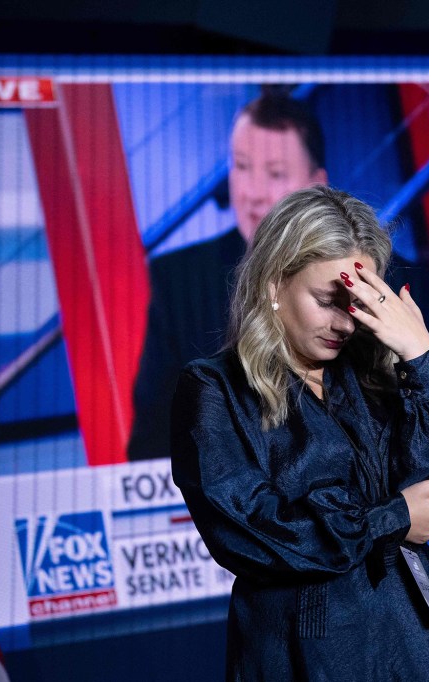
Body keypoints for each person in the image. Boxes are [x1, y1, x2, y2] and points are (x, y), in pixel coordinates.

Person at [170, 186, 429, 680]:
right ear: (273, 285)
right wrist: (391, 519)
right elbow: (253, 534)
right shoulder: (215, 388)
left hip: (428, 640)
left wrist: (420, 358)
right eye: (328, 300)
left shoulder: (372, 374)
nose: (344, 323)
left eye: (357, 303)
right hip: (312, 651)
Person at [128, 92, 328, 460]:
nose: (252, 193)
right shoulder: (179, 281)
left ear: (316, 186)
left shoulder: (383, 277)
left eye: (275, 174)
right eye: (241, 166)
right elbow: (153, 440)